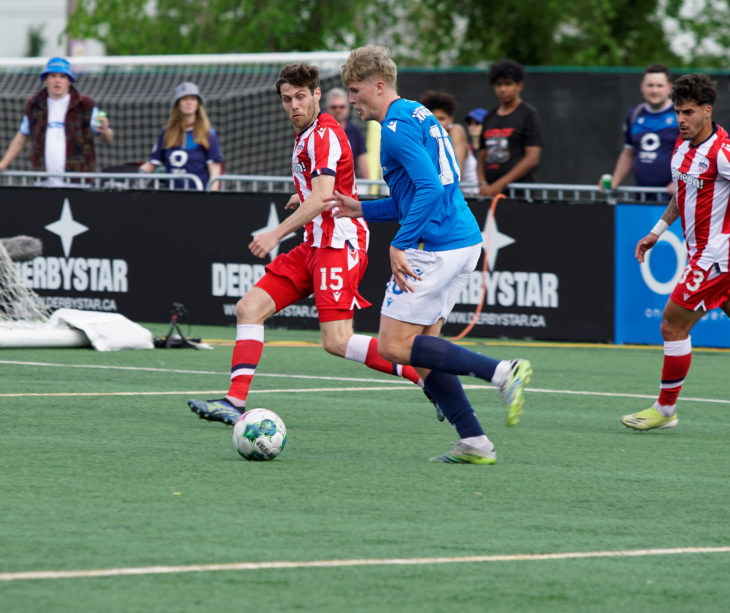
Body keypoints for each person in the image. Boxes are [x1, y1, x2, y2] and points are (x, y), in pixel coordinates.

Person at [327, 46, 533, 464]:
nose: (352, 99)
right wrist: (361, 207)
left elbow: (429, 190)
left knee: (393, 346)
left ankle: (501, 372)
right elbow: (415, 195)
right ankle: (474, 441)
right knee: (422, 349)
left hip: (435, 248)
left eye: (355, 90)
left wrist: (399, 242)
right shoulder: (416, 112)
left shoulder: (395, 128)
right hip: (461, 240)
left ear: (378, 86)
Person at [187, 62, 423, 426]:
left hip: (339, 245)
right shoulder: (306, 133)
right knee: (249, 308)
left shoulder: (324, 132)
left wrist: (275, 233)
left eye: (301, 97)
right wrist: (305, 196)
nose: (294, 105)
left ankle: (423, 377)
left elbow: (323, 196)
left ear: (316, 95)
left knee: (337, 341)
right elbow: (322, 190)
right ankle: (234, 402)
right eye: (287, 99)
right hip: (314, 244)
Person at [621, 73, 730, 431]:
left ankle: (665, 410)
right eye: (677, 112)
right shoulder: (682, 147)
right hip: (702, 251)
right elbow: (681, 197)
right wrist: (656, 232)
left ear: (706, 111)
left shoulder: (722, 152)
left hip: (716, 257)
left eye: (687, 112)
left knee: (671, 325)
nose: (680, 119)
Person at [0, 56, 113, 184]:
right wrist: (3, 164)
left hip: (78, 182)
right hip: (43, 180)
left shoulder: (85, 105)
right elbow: (22, 137)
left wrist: (106, 131)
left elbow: (106, 138)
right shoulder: (34, 105)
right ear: (46, 79)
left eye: (62, 76)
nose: (57, 80)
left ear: (69, 81)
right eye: (53, 76)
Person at [601, 63, 678, 197]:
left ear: (669, 88)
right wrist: (614, 181)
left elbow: (697, 153)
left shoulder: (681, 114)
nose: (654, 90)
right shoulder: (634, 114)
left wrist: (682, 182)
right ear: (642, 87)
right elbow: (628, 153)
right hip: (642, 196)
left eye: (659, 86)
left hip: (674, 199)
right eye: (650, 85)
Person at [138, 82, 222, 190]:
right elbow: (152, 164)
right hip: (172, 196)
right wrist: (132, 181)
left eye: (192, 99)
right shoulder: (166, 133)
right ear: (178, 104)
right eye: (184, 99)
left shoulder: (209, 134)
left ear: (198, 103)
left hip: (199, 196)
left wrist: (211, 195)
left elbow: (215, 172)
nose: (189, 103)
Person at [477, 60, 543, 197]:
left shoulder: (529, 115)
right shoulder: (489, 117)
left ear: (519, 86)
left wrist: (499, 185)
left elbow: (532, 158)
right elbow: (481, 157)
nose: (502, 89)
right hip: (490, 194)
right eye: (498, 84)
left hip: (519, 195)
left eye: (507, 84)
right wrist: (483, 183)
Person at [418, 90, 469, 176]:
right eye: (433, 119)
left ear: (450, 120)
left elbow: (457, 173)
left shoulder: (456, 130)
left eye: (441, 118)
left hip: (465, 188)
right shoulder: (424, 136)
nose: (437, 123)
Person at [325, 87, 370, 179]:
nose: (338, 110)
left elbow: (361, 158)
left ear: (348, 108)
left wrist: (369, 186)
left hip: (349, 183)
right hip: (326, 182)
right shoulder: (320, 130)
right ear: (327, 108)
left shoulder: (355, 130)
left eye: (342, 106)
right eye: (334, 107)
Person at [462, 108, 488, 195]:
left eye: (477, 123)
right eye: (470, 123)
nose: (472, 126)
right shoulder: (464, 149)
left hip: (487, 194)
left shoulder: (492, 150)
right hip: (468, 196)